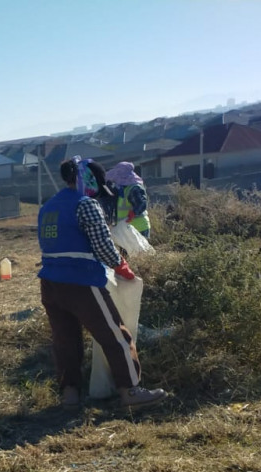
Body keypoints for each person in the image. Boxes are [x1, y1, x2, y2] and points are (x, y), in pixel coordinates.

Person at [37, 158, 166, 409]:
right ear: (90, 179)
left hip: (50, 282)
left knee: (65, 340)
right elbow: (103, 247)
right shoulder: (85, 205)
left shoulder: (48, 206)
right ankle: (131, 391)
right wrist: (122, 266)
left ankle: (70, 395)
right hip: (82, 281)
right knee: (116, 335)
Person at [105, 161, 151, 238]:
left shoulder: (134, 188)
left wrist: (133, 213)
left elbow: (142, 203)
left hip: (139, 228)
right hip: (128, 229)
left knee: (140, 250)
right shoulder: (123, 189)